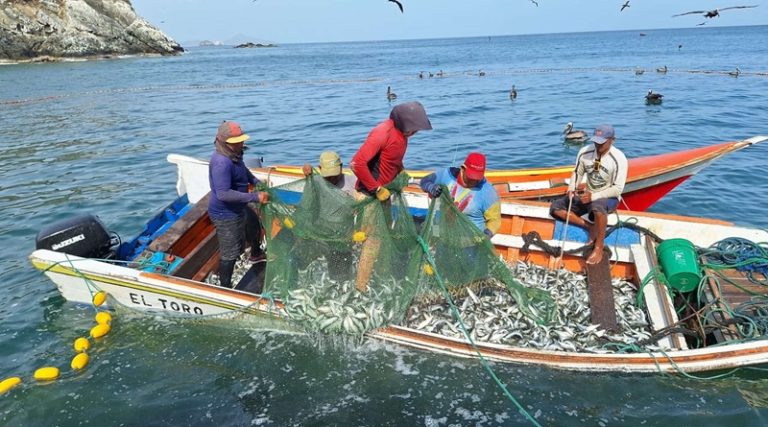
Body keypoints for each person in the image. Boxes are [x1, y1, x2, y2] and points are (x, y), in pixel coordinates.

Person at [350, 101, 433, 291]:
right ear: (404, 124)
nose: (416, 133)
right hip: (369, 196)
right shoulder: (382, 133)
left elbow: (392, 157)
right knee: (374, 241)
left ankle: (374, 275)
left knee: (383, 236)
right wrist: (376, 189)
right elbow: (357, 163)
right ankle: (360, 288)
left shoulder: (402, 136)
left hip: (384, 195)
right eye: (414, 129)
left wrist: (401, 171)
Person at [549, 124, 628, 265]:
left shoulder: (619, 159)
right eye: (595, 142)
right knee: (556, 208)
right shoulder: (585, 152)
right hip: (588, 194)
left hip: (608, 197)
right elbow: (577, 173)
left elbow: (618, 189)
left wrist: (593, 197)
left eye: (601, 143)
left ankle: (599, 246)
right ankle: (589, 226)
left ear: (612, 140)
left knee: (597, 207)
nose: (598, 146)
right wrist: (571, 189)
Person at [208, 120, 269, 288]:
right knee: (230, 252)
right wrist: (255, 197)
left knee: (254, 226)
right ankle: (225, 287)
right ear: (224, 142)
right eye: (237, 142)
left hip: (239, 206)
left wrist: (255, 181)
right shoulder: (222, 162)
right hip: (225, 214)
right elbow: (223, 193)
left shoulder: (234, 154)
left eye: (241, 140)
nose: (241, 144)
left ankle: (256, 254)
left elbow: (243, 171)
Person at [419, 152, 501, 238]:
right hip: (439, 233)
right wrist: (430, 187)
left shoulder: (488, 191)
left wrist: (487, 234)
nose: (474, 182)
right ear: (463, 169)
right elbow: (424, 181)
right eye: (471, 178)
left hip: (470, 243)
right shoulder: (446, 175)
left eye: (477, 179)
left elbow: (495, 220)